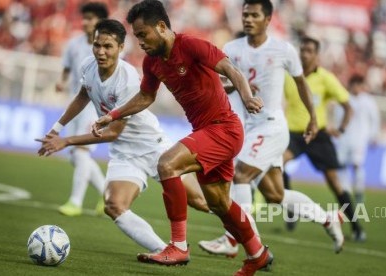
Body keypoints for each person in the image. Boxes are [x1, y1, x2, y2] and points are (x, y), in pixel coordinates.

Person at [93, 1, 271, 275]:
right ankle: (257, 253)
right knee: (220, 204)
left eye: (143, 34)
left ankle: (177, 246)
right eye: (136, 36)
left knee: (167, 165)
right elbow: (146, 97)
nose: (140, 41)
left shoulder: (191, 45)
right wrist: (113, 115)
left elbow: (231, 70)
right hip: (206, 132)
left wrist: (247, 97)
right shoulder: (152, 62)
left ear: (162, 27)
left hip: (224, 129)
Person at [37, 19, 209, 257]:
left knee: (201, 201)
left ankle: (244, 228)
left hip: (152, 148)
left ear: (120, 48)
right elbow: (82, 96)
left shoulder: (127, 78)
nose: (100, 51)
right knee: (114, 206)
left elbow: (113, 132)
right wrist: (57, 128)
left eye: (107, 46)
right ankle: (164, 250)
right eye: (97, 45)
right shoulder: (88, 66)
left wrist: (66, 140)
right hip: (124, 153)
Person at [198, 0, 344, 257]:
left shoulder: (283, 49)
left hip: (271, 127)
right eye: (245, 15)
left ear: (267, 19)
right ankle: (327, 218)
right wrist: (239, 87)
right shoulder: (232, 48)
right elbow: (220, 83)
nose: (248, 19)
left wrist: (312, 118)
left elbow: (301, 85)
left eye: (255, 15)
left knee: (240, 175)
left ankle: (235, 240)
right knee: (275, 194)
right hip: (247, 128)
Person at [282, 36, 366, 241]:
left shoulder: (326, 78)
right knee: (278, 165)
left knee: (334, 183)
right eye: (302, 49)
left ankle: (356, 226)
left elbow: (348, 106)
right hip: (293, 134)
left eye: (309, 50)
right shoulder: (288, 76)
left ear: (317, 55)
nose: (304, 54)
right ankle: (291, 209)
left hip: (317, 134)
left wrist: (341, 129)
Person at [54, 2, 108, 216]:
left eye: (91, 18)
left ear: (100, 22)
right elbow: (66, 68)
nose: (86, 22)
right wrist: (61, 81)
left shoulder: (107, 47)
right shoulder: (74, 44)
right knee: (74, 155)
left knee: (80, 151)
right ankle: (107, 193)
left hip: (94, 106)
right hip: (75, 103)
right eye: (84, 18)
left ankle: (75, 202)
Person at [333, 75, 380, 204]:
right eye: (355, 84)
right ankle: (346, 191)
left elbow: (374, 119)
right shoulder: (344, 99)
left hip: (360, 140)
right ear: (351, 85)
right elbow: (337, 118)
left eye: (360, 84)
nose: (357, 87)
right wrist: (337, 135)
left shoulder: (368, 101)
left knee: (357, 165)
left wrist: (374, 135)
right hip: (344, 139)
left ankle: (359, 190)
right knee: (341, 166)